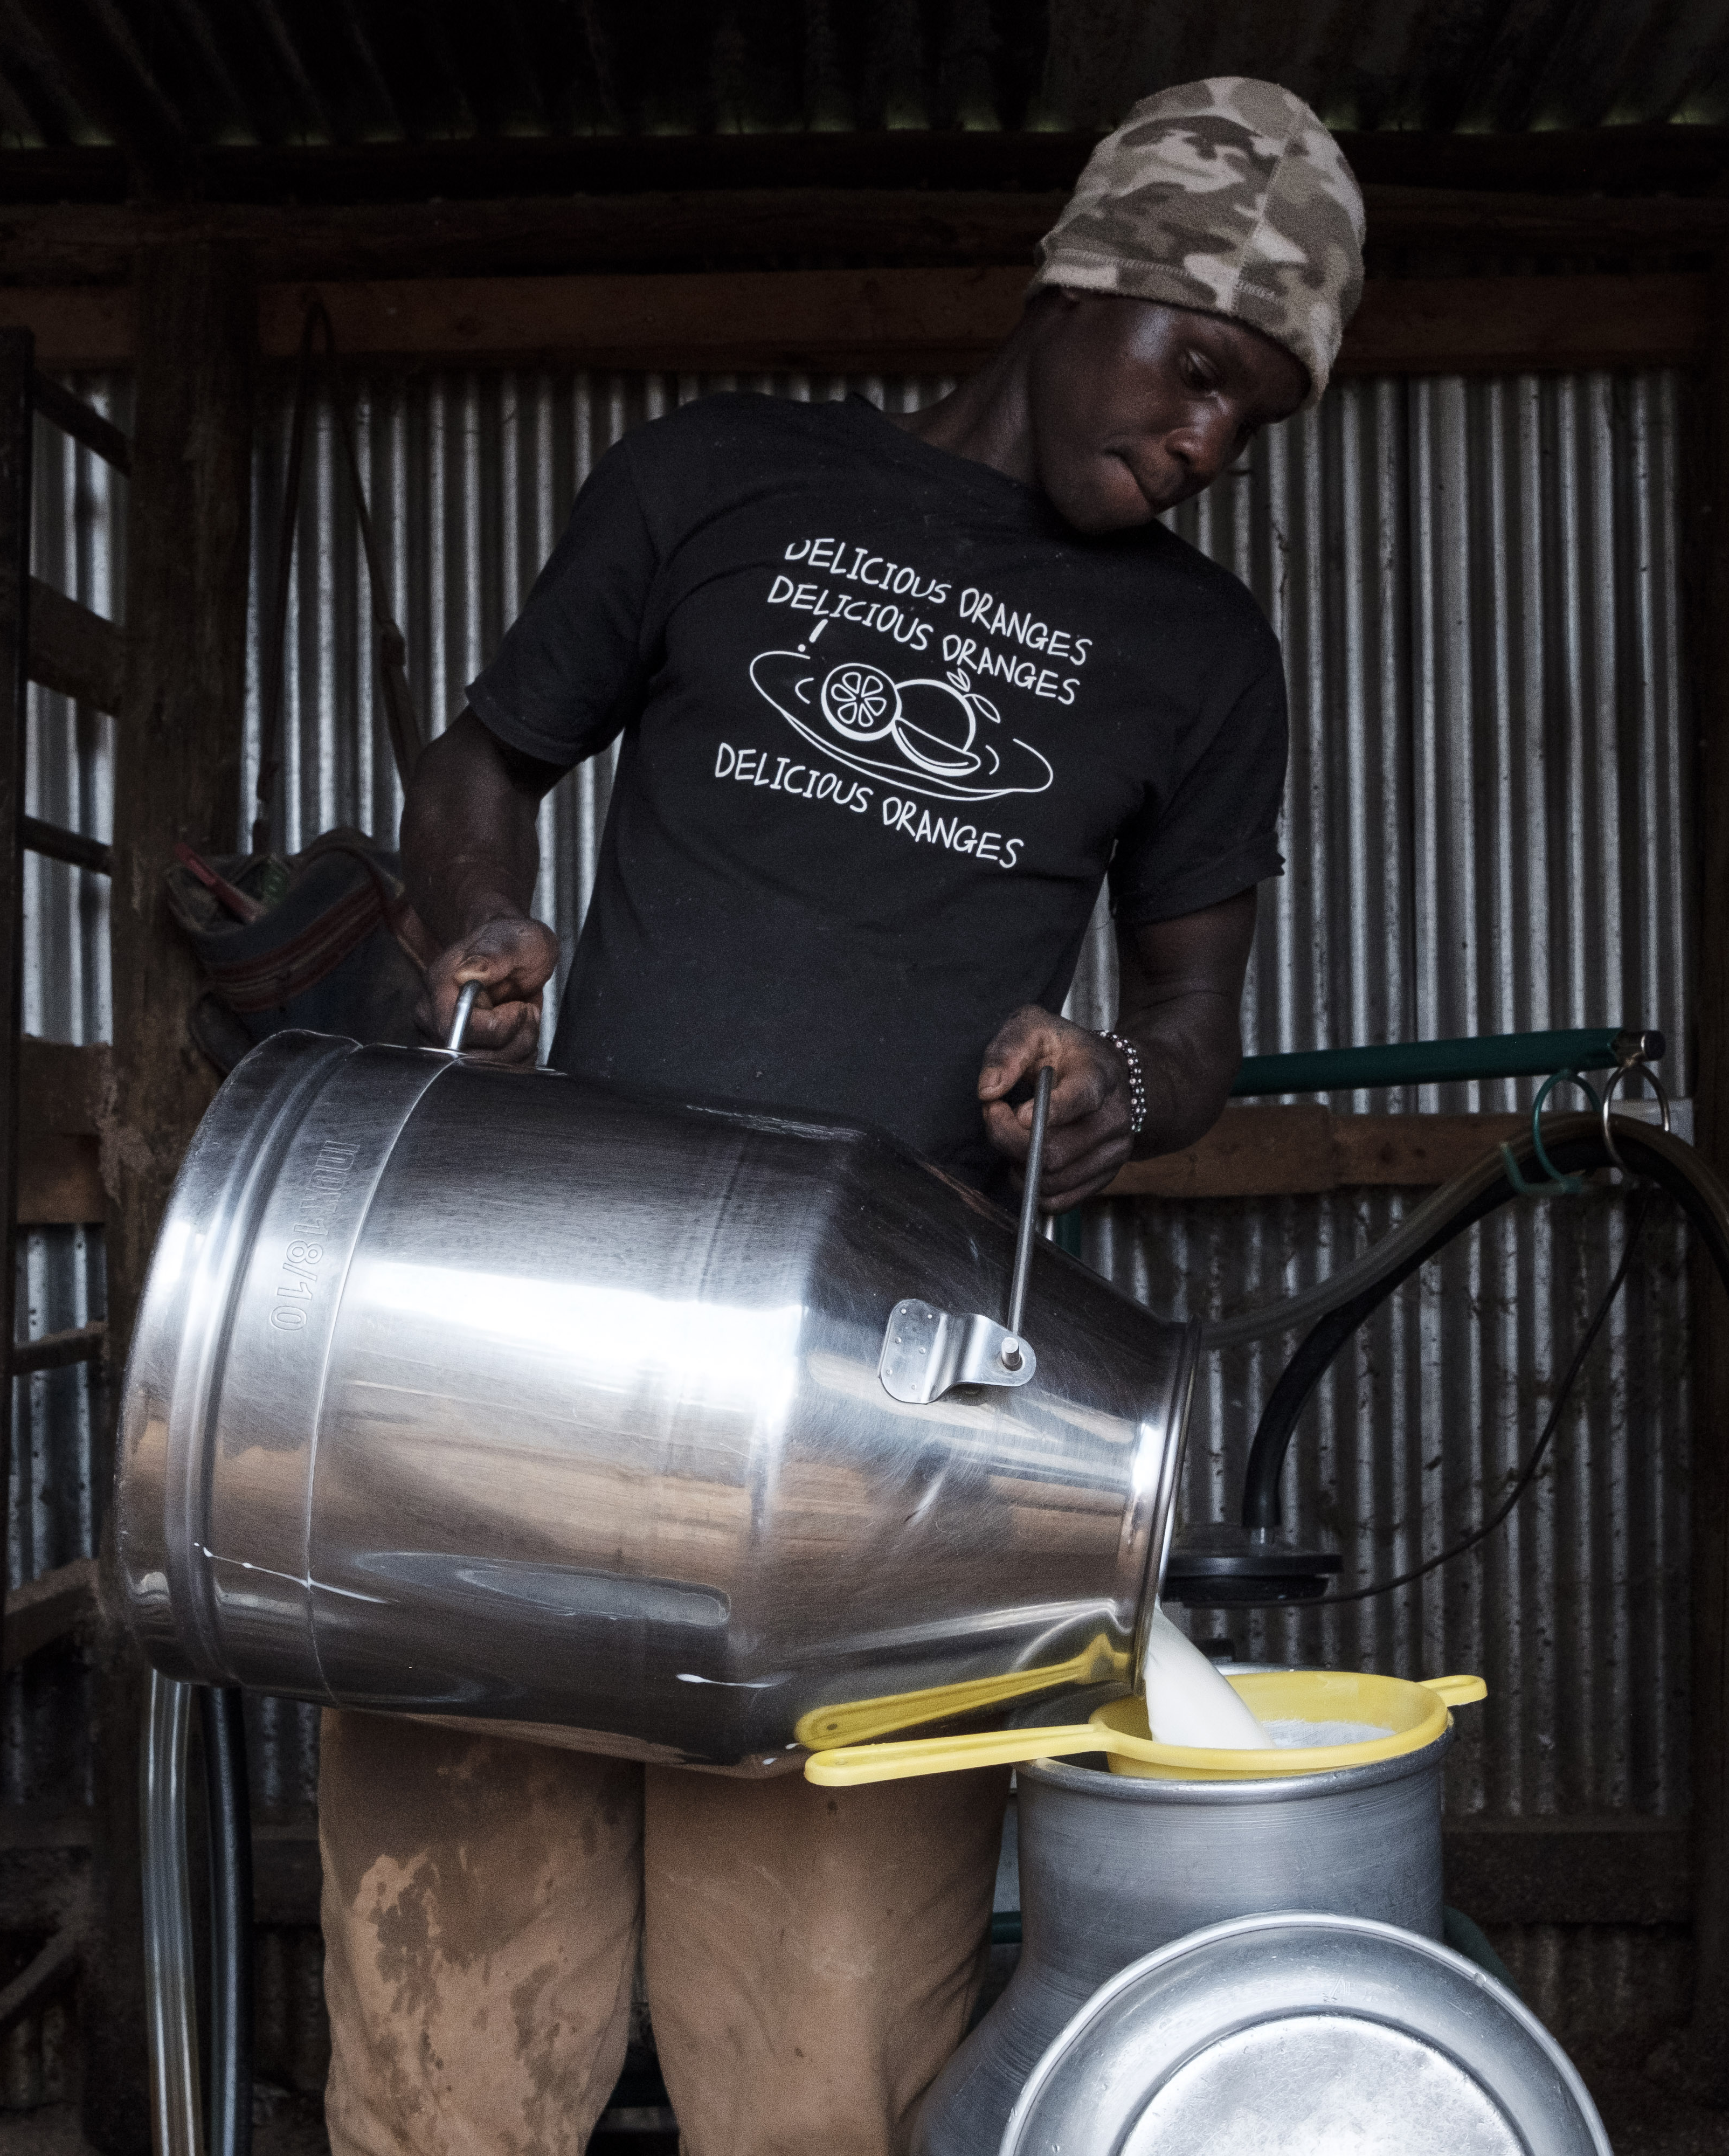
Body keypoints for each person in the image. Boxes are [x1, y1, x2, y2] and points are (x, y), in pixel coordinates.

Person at [321, 78, 1366, 2156]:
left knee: (826, 2081)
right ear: (1086, 282)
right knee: (449, 2046)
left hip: (887, 1448)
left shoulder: (1202, 654)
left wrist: (1117, 1087)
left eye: (1254, 416)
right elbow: (478, 764)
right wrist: (478, 925)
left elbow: (1194, 1029)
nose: (1206, 441)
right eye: (1197, 369)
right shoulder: (725, 481)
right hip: (540, 1376)